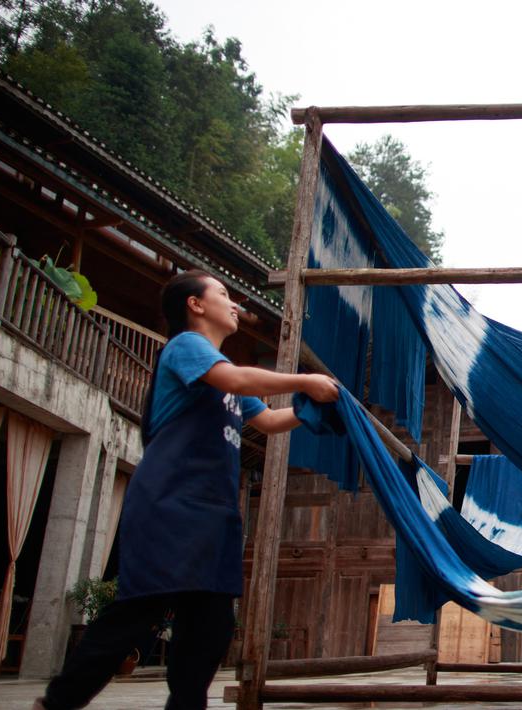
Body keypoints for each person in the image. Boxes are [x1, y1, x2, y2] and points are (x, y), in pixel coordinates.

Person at [35, 270, 339, 710]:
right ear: (195, 305)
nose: (234, 304)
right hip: (170, 503)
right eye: (223, 294)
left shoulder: (224, 373)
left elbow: (270, 421)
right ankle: (56, 703)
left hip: (214, 514)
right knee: (139, 612)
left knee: (210, 627)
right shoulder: (186, 347)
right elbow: (236, 380)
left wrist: (315, 407)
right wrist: (304, 382)